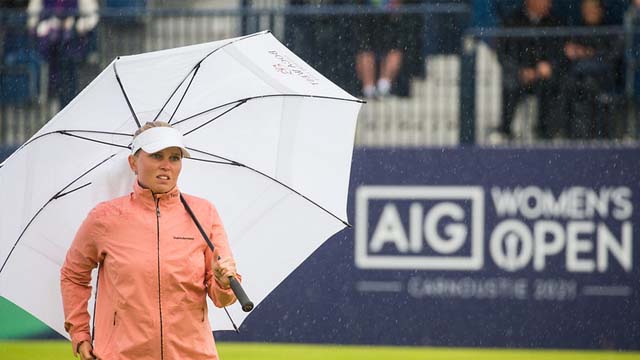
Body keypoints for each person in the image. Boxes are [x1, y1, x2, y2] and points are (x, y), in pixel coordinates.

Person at [60, 121, 240, 360]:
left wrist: (224, 282)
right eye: (156, 156)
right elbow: (73, 274)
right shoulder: (104, 218)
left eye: (175, 158)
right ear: (133, 163)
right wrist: (80, 333)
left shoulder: (203, 213)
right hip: (121, 354)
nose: (166, 165)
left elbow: (222, 298)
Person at [495, 0, 565, 140]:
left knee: (555, 84)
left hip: (543, 74)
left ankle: (545, 132)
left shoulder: (555, 22)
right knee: (510, 84)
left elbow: (561, 52)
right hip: (520, 75)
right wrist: (520, 70)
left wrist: (549, 65)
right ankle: (505, 131)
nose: (548, 3)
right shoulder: (512, 21)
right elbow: (503, 53)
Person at [557, 0, 623, 138]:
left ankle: (592, 135)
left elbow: (611, 57)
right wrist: (582, 54)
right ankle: (566, 133)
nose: (589, 12)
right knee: (567, 85)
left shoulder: (610, 30)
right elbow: (568, 54)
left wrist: (585, 54)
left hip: (604, 78)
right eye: (586, 9)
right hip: (577, 78)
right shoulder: (578, 31)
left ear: (600, 10)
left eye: (592, 9)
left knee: (589, 86)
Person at [26, 0, 99, 108]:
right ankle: (51, 100)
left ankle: (69, 103)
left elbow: (92, 14)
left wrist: (80, 25)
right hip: (50, 44)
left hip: (71, 43)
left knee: (69, 77)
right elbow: (32, 17)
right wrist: (41, 26)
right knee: (52, 76)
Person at [354, 0, 406, 99]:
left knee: (368, 49)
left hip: (373, 13)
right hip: (380, 13)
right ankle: (377, 88)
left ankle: (375, 88)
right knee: (391, 49)